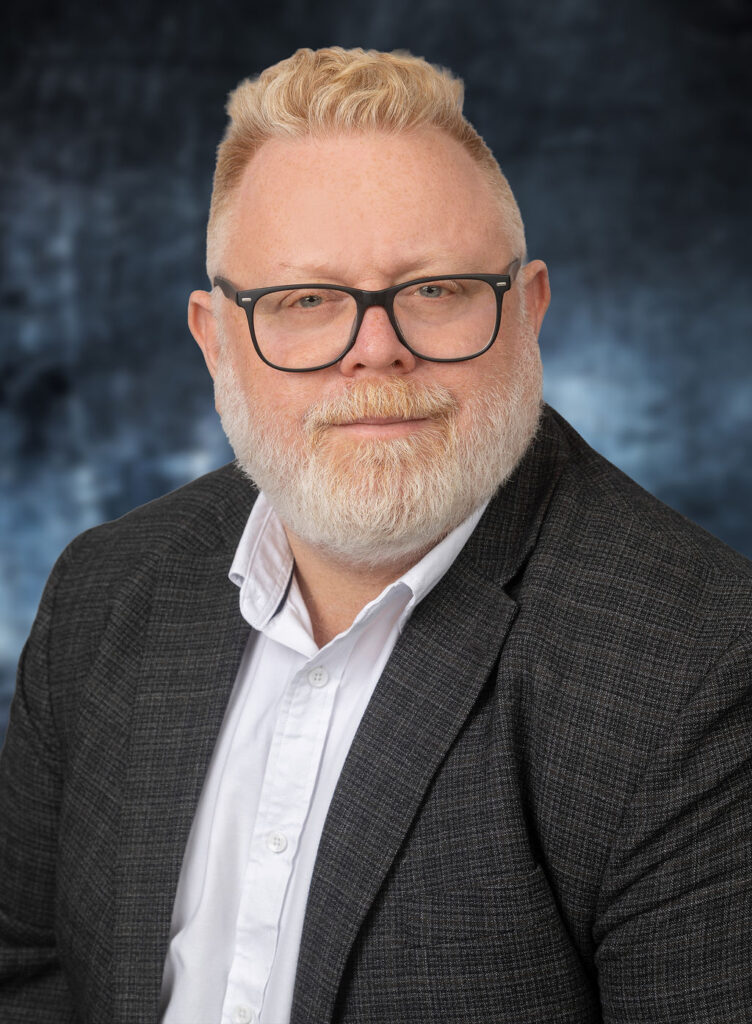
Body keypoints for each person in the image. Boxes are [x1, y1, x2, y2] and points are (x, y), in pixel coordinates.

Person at [0, 45, 750, 1024]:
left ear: (524, 311)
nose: (375, 349)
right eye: (304, 301)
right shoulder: (106, 587)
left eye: (434, 290)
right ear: (214, 338)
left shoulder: (701, 664)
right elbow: (25, 977)